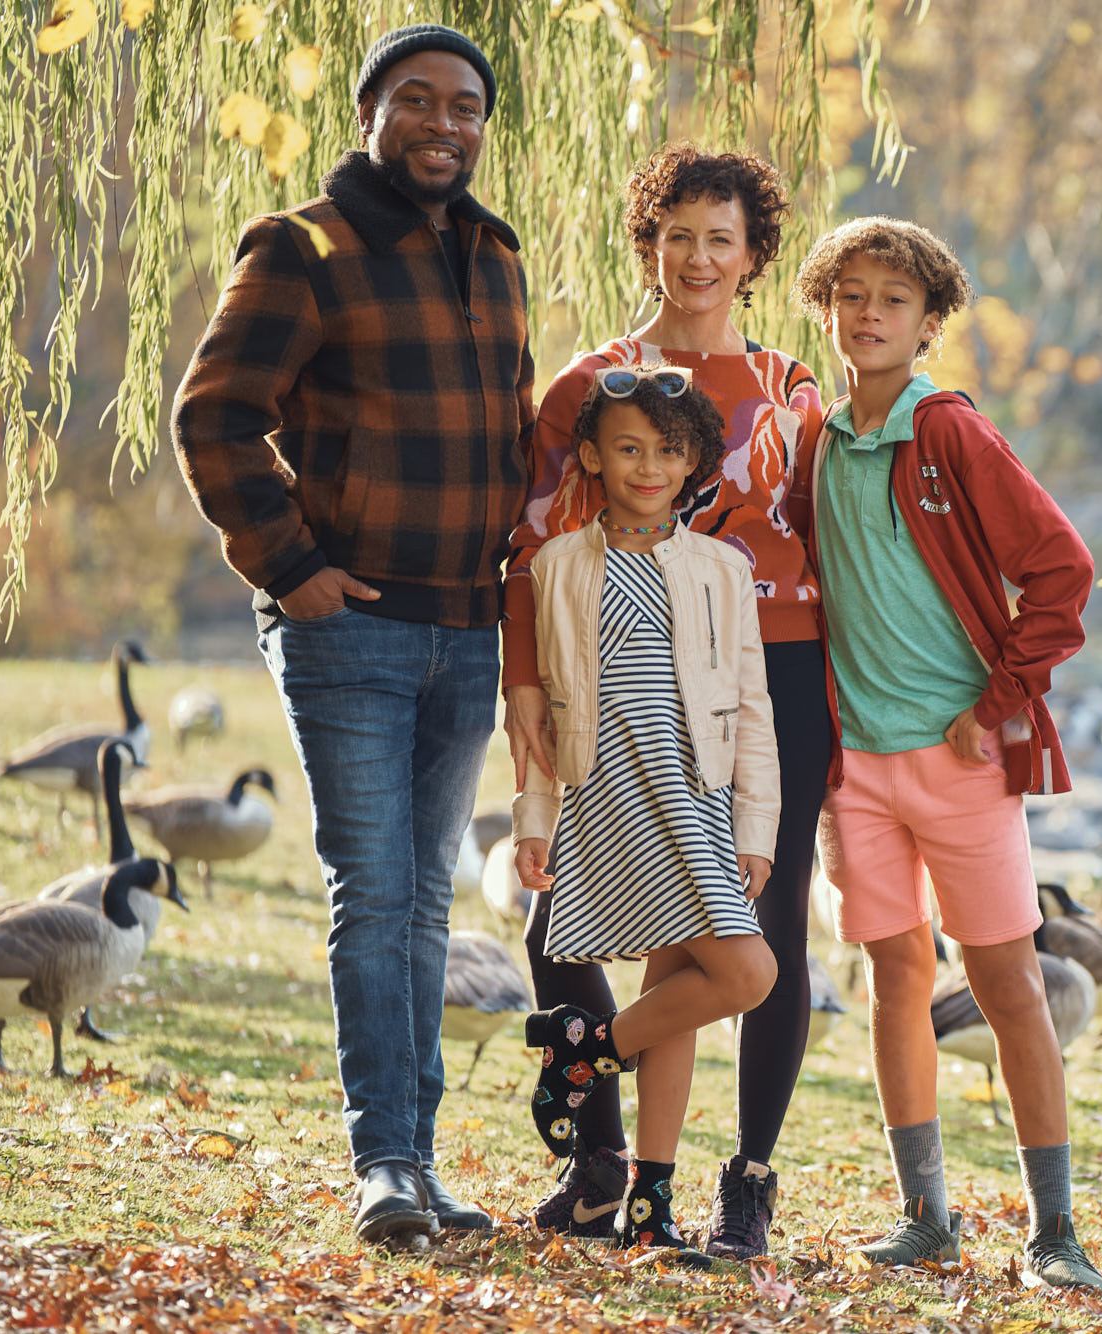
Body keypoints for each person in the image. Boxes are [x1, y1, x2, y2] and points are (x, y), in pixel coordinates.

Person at [171, 24, 531, 1247]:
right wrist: (293, 566)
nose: (445, 123)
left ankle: (420, 1163)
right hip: (351, 630)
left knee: (429, 896)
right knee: (375, 891)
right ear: (372, 112)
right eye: (418, 100)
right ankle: (383, 1159)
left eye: (466, 106)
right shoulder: (301, 246)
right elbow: (215, 419)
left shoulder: (494, 252)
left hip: (465, 628)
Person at [501, 143, 828, 1259]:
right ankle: (605, 1166)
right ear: (648, 243)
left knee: (758, 925)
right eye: (676, 233)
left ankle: (745, 1179)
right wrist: (523, 689)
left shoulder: (791, 388)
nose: (696, 256)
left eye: (719, 238)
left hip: (767, 668)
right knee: (572, 922)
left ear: (752, 256)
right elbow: (532, 548)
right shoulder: (591, 386)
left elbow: (839, 536)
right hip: (618, 670)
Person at [784, 216, 1102, 1291]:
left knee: (1006, 977)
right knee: (893, 974)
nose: (867, 314)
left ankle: (1054, 1229)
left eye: (892, 300)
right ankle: (925, 1212)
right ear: (825, 310)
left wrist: (1001, 695)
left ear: (928, 325)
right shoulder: (818, 440)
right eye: (850, 295)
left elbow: (1061, 570)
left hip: (961, 757)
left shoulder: (951, 432)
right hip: (857, 768)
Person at [513, 370, 780, 1269]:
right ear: (592, 455)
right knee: (730, 979)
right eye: (628, 447)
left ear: (695, 460)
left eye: (669, 450)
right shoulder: (556, 569)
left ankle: (633, 1166)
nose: (649, 466)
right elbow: (544, 719)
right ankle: (602, 1084)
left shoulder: (720, 569)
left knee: (733, 980)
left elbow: (751, 708)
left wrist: (756, 830)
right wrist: (531, 817)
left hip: (697, 804)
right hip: (607, 803)